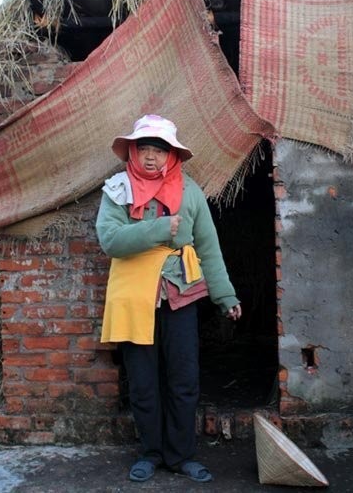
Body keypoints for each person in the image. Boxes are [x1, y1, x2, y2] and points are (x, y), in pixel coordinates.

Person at [96, 114, 242, 483]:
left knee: (184, 378)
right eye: (144, 148)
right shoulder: (118, 189)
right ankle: (150, 453)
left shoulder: (190, 192)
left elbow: (208, 247)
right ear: (133, 152)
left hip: (180, 294)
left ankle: (181, 455)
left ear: (172, 155)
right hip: (133, 297)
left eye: (159, 150)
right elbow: (110, 240)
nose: (151, 157)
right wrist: (161, 228)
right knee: (143, 381)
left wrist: (225, 295)